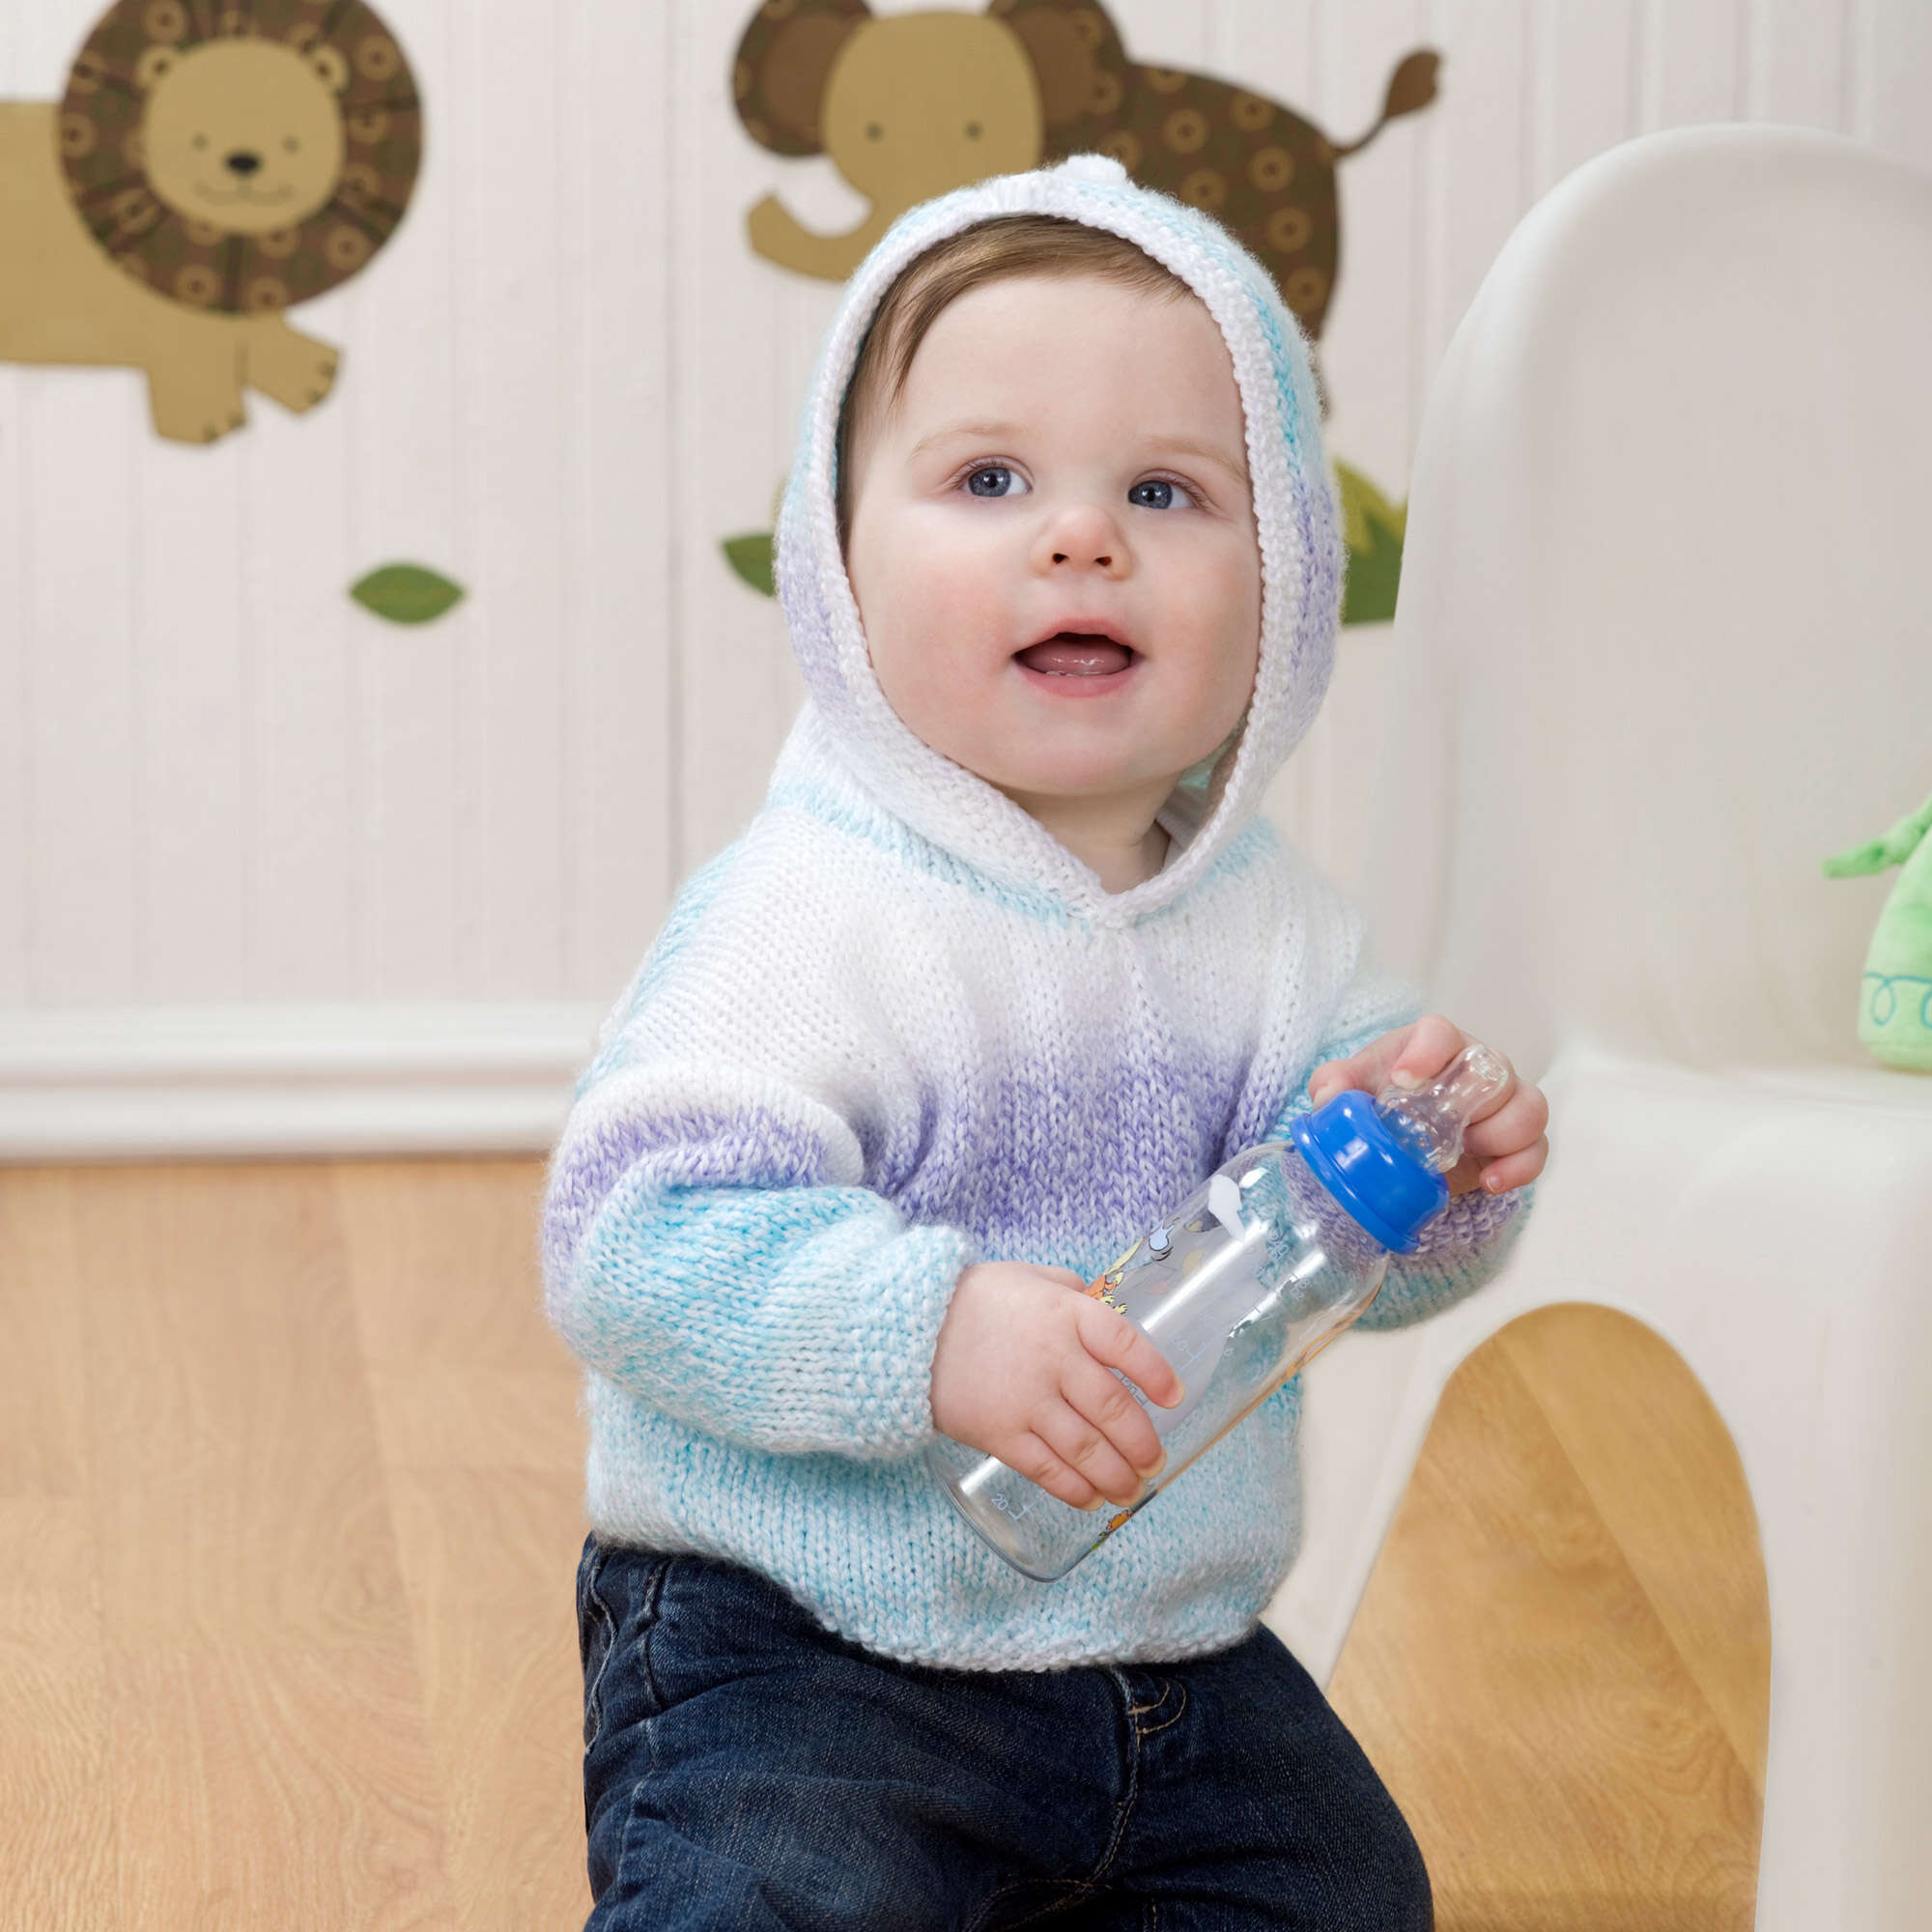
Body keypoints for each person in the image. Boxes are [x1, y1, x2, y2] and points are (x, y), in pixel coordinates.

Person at [542, 155, 1549, 1930]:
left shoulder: (1285, 937)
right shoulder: (807, 918)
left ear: (1287, 580)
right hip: (808, 1646)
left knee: (1350, 1897)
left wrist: (1437, 1183)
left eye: (1165, 490)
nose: (1081, 539)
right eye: (989, 479)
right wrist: (930, 1332)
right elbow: (634, 1249)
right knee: (784, 1891)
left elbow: (1354, 1271)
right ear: (840, 561)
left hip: (1175, 1654)